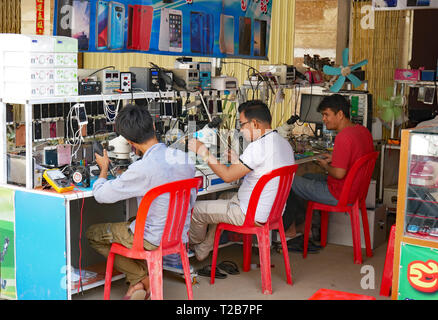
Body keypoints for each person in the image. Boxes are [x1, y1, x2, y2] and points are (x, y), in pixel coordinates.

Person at [86, 104, 196, 300]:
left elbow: (101, 195)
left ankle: (141, 278)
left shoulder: (142, 168)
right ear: (153, 126)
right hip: (177, 234)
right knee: (132, 221)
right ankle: (143, 279)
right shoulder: (184, 158)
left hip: (151, 239)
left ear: (129, 141)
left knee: (93, 234)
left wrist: (103, 169)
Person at [188, 100, 295, 261]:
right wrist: (239, 160)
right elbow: (261, 168)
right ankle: (204, 249)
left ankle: (192, 244)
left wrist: (203, 151)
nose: (241, 130)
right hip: (274, 212)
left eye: (242, 125)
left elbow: (228, 175)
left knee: (195, 209)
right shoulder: (283, 143)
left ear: (255, 124)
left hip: (249, 213)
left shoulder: (258, 147)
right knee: (223, 198)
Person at [282, 94, 374, 241]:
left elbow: (338, 174)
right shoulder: (362, 131)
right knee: (306, 177)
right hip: (356, 191)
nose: (323, 119)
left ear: (340, 114)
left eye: (326, 115)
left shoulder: (344, 137)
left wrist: (326, 166)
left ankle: (291, 227)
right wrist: (335, 159)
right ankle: (310, 224)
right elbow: (355, 158)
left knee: (288, 181)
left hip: (340, 194)